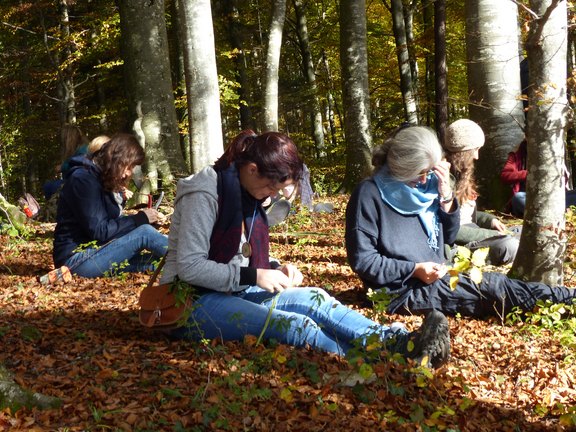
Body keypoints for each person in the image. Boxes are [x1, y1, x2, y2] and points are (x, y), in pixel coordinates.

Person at [159, 130, 450, 368]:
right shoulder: (205, 193)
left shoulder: (244, 190)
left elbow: (238, 253)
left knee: (316, 298)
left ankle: (399, 344)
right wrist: (255, 276)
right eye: (271, 189)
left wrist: (273, 267)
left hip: (232, 289)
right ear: (252, 169)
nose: (270, 197)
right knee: (292, 325)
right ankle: (374, 364)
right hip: (189, 302)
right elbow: (190, 266)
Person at [345, 125, 576, 318]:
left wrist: (446, 196)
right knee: (494, 288)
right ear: (401, 167)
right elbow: (364, 261)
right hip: (400, 290)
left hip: (437, 273)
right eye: (419, 172)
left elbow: (450, 234)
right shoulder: (369, 194)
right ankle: (567, 301)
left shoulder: (427, 188)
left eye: (429, 171)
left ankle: (566, 299)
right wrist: (414, 270)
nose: (425, 178)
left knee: (496, 284)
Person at [53, 133, 167, 278]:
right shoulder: (82, 180)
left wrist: (144, 219)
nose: (128, 174)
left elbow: (110, 224)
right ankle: (193, 259)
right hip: (74, 260)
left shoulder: (98, 177)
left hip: (96, 253)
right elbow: (100, 230)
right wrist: (139, 220)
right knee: (144, 233)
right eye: (129, 167)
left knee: (159, 263)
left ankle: (192, 264)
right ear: (118, 160)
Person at [444, 119, 519, 265]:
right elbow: (450, 229)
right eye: (475, 150)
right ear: (462, 152)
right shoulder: (443, 180)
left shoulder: (461, 174)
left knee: (526, 232)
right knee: (509, 246)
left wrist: (490, 220)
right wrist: (492, 234)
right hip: (459, 245)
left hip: (475, 232)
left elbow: (466, 214)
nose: (477, 156)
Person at [501, 139, 576, 217]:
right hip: (529, 198)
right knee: (517, 198)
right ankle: (549, 215)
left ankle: (551, 213)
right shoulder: (517, 155)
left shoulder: (553, 154)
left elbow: (562, 182)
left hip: (554, 198)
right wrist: (530, 173)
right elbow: (505, 175)